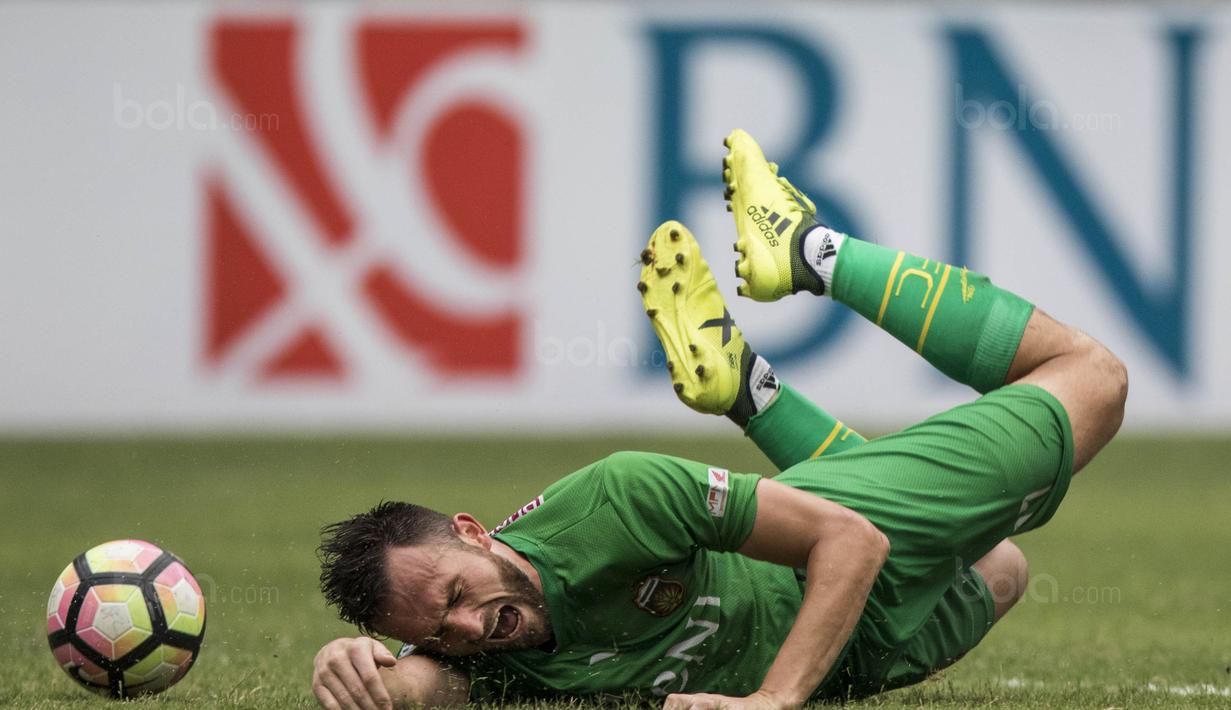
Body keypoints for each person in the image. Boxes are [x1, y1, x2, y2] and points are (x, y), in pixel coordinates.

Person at [310, 129, 1128, 710]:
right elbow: (412, 687)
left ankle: (810, 251)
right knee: (1004, 566)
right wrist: (352, 667)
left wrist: (775, 699)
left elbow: (851, 542)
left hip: (836, 561)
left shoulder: (615, 499)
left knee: (1091, 377)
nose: (466, 626)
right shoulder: (488, 655)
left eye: (456, 591)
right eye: (438, 631)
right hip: (856, 645)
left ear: (474, 531)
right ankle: (748, 393)